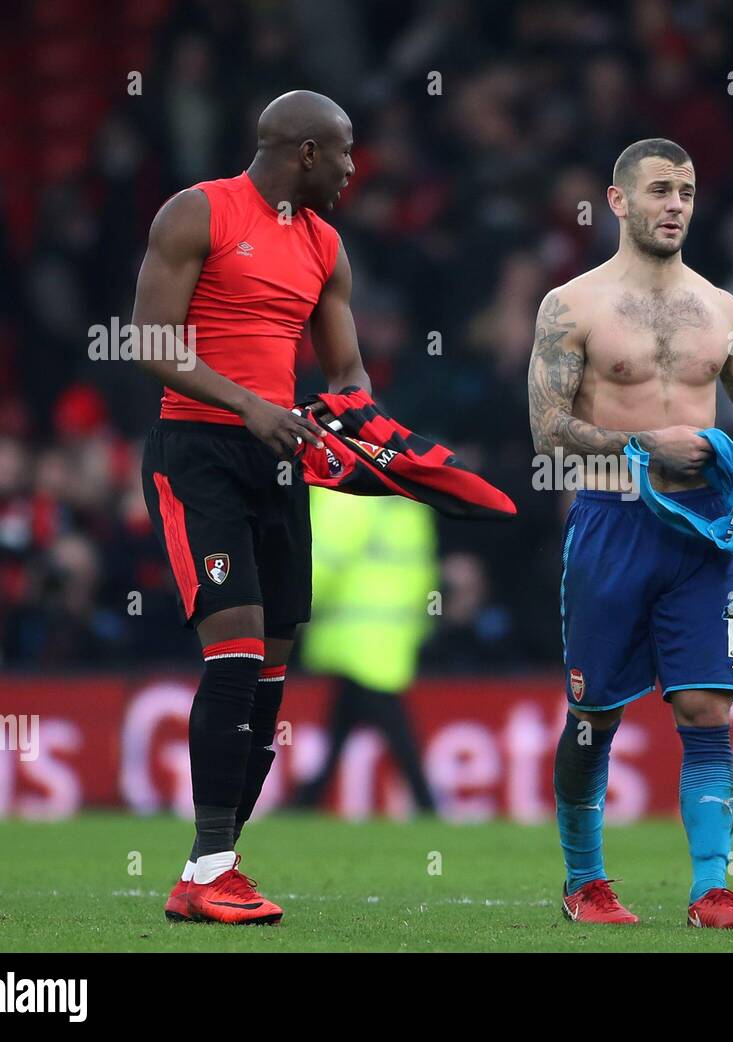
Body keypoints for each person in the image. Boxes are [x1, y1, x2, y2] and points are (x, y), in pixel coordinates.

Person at [527, 138, 733, 928]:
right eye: (661, 190)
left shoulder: (722, 308)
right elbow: (546, 432)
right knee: (594, 718)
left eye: (687, 191)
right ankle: (585, 882)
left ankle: (712, 889)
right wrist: (641, 446)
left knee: (708, 709)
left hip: (704, 532)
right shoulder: (571, 305)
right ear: (617, 201)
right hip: (611, 522)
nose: (676, 204)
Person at [132, 91, 367, 924]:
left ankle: (217, 866)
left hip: (280, 461)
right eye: (343, 152)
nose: (351, 168)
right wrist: (251, 406)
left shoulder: (324, 246)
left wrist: (354, 424)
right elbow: (149, 341)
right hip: (197, 453)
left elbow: (346, 372)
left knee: (268, 680)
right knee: (232, 655)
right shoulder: (197, 212)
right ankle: (206, 867)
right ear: (305, 152)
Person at [292, 489, 438, 814]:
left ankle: (426, 802)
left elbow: (323, 559)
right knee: (348, 715)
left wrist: (292, 606)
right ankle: (307, 799)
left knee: (387, 716)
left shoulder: (345, 491)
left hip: (355, 631)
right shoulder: (409, 498)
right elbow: (422, 568)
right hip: (391, 628)